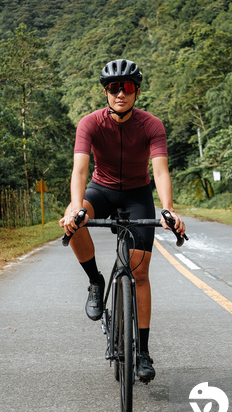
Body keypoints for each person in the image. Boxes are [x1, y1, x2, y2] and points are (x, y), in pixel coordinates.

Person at [60, 58, 185, 382]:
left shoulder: (151, 125)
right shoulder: (89, 124)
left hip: (137, 195)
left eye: (127, 87)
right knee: (73, 223)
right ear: (106, 92)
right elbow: (80, 170)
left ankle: (142, 352)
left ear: (136, 92)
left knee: (139, 272)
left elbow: (159, 170)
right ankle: (95, 280)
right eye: (114, 88)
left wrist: (168, 209)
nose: (120, 93)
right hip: (101, 190)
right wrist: (76, 207)